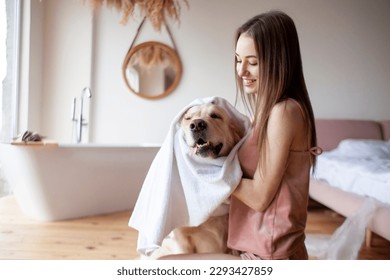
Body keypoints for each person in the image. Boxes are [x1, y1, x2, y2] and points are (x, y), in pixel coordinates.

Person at [160, 10, 321, 260]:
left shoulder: (284, 112)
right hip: (255, 247)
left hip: (269, 257)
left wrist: (207, 171)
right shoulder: (267, 112)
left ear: (280, 61)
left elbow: (258, 197)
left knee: (162, 266)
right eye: (238, 59)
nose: (241, 71)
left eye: (253, 62)